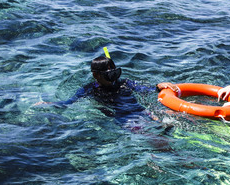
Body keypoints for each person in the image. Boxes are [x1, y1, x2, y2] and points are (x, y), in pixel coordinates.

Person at [36, 54, 178, 129]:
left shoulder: (125, 83)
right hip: (124, 120)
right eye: (107, 74)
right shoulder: (90, 90)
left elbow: (146, 89)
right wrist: (47, 104)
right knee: (154, 137)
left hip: (142, 111)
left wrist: (158, 86)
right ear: (95, 75)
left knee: (170, 120)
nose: (112, 77)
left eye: (113, 72)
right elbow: (67, 103)